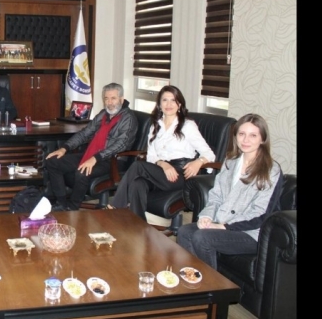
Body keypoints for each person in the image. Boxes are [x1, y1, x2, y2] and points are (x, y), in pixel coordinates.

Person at [177, 114, 283, 269]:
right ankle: (193, 276)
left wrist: (225, 226)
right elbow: (216, 196)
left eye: (253, 135)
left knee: (202, 237)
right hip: (222, 222)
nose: (246, 140)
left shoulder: (271, 170)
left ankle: (212, 284)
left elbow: (261, 214)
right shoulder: (230, 162)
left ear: (262, 139)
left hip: (250, 232)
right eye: (242, 134)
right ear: (235, 136)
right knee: (184, 231)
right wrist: (207, 216)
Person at [108, 85, 215, 220]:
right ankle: (138, 225)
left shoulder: (187, 126)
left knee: (138, 166)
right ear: (159, 104)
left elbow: (209, 154)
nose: (169, 104)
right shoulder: (155, 125)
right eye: (165, 100)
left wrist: (198, 162)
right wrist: (163, 164)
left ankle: (116, 206)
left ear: (179, 104)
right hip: (161, 172)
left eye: (173, 100)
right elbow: (151, 155)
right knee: (138, 183)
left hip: (181, 174)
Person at [44, 83, 138, 211]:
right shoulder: (103, 114)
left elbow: (121, 144)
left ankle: (72, 207)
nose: (109, 102)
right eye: (106, 98)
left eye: (113, 98)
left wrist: (95, 158)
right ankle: (61, 204)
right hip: (93, 154)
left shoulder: (128, 118)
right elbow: (85, 133)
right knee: (53, 161)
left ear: (121, 99)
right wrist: (64, 148)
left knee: (83, 171)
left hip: (113, 161)